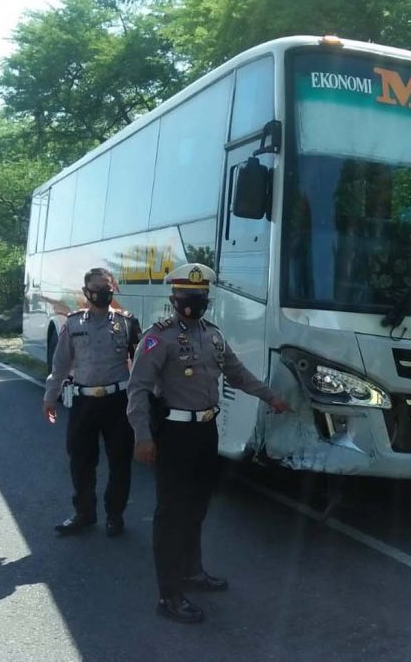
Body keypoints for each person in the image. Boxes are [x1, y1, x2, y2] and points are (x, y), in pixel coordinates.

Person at [126, 263, 290, 624]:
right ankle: (169, 595)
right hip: (173, 434)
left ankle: (192, 572)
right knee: (171, 513)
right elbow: (137, 389)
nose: (194, 303)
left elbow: (236, 372)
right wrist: (142, 436)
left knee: (197, 508)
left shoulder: (212, 335)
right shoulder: (158, 337)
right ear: (173, 298)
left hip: (205, 432)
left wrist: (270, 397)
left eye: (200, 297)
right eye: (187, 296)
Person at [43, 268, 142, 537]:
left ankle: (115, 515)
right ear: (86, 292)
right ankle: (84, 513)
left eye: (107, 286)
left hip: (118, 402)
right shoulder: (73, 324)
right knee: (81, 460)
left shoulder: (128, 323)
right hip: (83, 402)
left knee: (119, 462)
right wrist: (50, 396)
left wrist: (144, 402)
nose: (103, 292)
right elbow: (60, 364)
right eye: (97, 287)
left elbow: (143, 366)